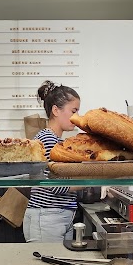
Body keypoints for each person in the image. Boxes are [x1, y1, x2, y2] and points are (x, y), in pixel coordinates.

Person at [23, 80, 81, 243]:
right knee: (48, 260)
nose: (77, 117)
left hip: (54, 216)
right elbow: (57, 186)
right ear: (56, 110)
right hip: (47, 217)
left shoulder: (55, 140)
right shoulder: (48, 139)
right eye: (73, 111)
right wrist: (95, 181)